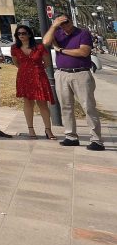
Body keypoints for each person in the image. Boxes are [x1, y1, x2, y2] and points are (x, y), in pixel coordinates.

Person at [44, 15, 106, 150]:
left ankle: (96, 139)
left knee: (88, 107)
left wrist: (61, 50)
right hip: (62, 74)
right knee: (66, 107)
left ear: (71, 21)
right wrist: (54, 26)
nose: (65, 25)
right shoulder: (57, 32)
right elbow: (45, 42)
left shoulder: (83, 33)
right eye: (62, 23)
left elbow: (83, 52)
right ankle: (71, 136)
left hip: (81, 74)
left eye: (67, 22)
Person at [10, 23, 55, 139]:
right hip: (24, 77)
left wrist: (37, 69)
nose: (21, 35)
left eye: (23, 33)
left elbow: (48, 62)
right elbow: (16, 63)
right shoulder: (14, 48)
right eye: (18, 33)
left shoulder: (39, 47)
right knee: (28, 103)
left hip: (39, 77)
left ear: (29, 34)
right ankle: (31, 129)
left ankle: (48, 130)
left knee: (43, 103)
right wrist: (26, 70)